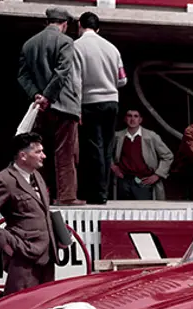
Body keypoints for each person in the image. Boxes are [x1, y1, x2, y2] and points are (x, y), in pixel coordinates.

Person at [0, 133, 62, 295]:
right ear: (23, 156)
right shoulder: (4, 180)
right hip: (23, 258)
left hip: (47, 258)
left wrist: (58, 238)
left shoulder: (37, 176)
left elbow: (42, 212)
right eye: (38, 152)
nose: (44, 156)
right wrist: (6, 244)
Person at [17, 6, 84, 206]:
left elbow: (23, 75)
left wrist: (37, 95)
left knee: (39, 153)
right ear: (64, 24)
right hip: (63, 106)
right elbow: (63, 72)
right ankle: (66, 196)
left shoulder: (29, 44)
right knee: (65, 153)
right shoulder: (65, 42)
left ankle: (41, 195)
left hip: (40, 108)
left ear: (47, 22)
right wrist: (48, 96)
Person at [74, 11, 127, 204]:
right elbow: (122, 79)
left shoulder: (76, 47)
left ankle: (96, 193)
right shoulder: (112, 48)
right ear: (98, 28)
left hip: (89, 102)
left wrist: (76, 108)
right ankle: (103, 191)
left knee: (93, 148)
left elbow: (75, 81)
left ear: (79, 25)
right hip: (112, 101)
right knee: (106, 147)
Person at [110, 109, 174, 200]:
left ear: (140, 120)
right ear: (125, 119)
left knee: (144, 211)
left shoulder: (151, 136)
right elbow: (106, 153)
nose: (132, 119)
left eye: (136, 116)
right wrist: (113, 166)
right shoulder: (118, 136)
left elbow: (168, 156)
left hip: (144, 181)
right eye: (129, 116)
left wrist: (158, 174)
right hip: (123, 180)